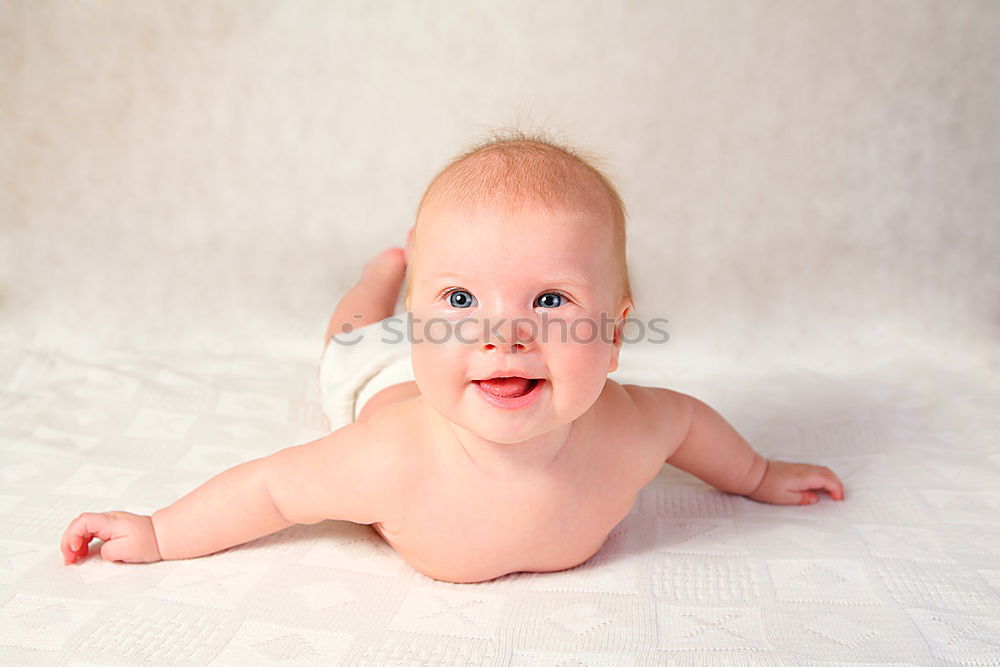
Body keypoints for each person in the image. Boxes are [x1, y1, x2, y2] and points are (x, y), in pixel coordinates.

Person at [60, 132, 845, 584]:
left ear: (612, 335)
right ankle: (383, 277)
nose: (503, 338)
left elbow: (692, 428)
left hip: (437, 365)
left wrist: (759, 474)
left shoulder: (635, 427)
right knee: (346, 335)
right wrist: (160, 531)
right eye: (461, 299)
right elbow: (269, 489)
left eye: (550, 300)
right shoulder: (384, 457)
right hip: (386, 376)